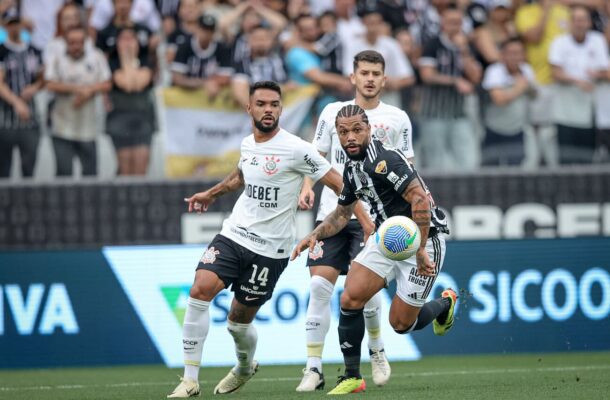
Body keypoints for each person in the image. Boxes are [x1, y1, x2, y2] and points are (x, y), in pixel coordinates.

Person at [167, 81, 371, 398]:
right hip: (233, 235)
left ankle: (245, 366)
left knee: (237, 322)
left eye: (274, 104)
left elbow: (338, 184)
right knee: (200, 289)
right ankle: (190, 380)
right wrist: (211, 193)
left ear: (281, 109)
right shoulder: (248, 143)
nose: (268, 109)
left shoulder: (297, 148)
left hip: (271, 251)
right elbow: (241, 175)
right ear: (250, 108)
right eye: (261, 104)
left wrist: (367, 221)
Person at [292, 103, 456, 395]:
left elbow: (419, 199)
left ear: (368, 129)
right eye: (343, 132)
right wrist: (314, 235)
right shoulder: (351, 168)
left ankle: (445, 304)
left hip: (424, 238)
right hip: (387, 238)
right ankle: (352, 376)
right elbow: (342, 214)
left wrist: (418, 250)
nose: (350, 137)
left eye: (356, 130)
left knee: (402, 324)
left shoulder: (385, 159)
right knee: (351, 297)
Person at [295, 50, 413, 392]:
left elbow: (407, 170)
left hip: (375, 219)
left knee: (366, 294)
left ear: (385, 79)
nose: (370, 78)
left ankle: (377, 351)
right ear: (353, 77)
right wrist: (306, 186)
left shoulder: (397, 118)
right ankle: (313, 368)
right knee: (318, 287)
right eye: (364, 72)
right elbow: (316, 156)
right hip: (332, 212)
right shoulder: (332, 112)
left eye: (376, 72)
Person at [46, 25, 112, 177]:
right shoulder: (56, 59)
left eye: (79, 42)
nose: (76, 46)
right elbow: (49, 84)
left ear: (85, 42)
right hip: (62, 127)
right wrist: (77, 90)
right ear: (65, 42)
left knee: (90, 174)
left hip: (88, 128)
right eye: (72, 43)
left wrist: (88, 92)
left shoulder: (96, 57)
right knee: (64, 174)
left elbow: (107, 83)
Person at [0, 15, 43, 178]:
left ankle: (29, 202)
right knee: (4, 168)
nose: (15, 28)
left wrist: (34, 87)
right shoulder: (2, 51)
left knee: (29, 167)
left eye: (17, 24)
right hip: (5, 120)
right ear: (5, 27)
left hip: (30, 120)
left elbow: (44, 78)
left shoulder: (34, 50)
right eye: (11, 25)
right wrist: (17, 102)